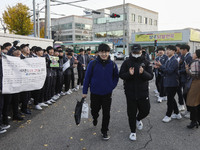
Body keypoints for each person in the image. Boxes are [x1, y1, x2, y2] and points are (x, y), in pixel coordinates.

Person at [82, 43, 119, 140]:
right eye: (102, 52)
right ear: (98, 52)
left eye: (106, 52)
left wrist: (111, 86)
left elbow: (116, 77)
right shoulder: (92, 63)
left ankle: (104, 131)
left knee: (106, 113)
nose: (104, 54)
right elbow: (87, 78)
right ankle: (95, 117)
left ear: (109, 53)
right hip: (95, 93)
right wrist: (84, 91)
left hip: (107, 93)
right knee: (94, 110)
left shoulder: (113, 64)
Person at [119, 44, 153, 141]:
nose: (136, 54)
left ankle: (138, 119)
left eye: (137, 52)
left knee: (146, 110)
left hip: (143, 92)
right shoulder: (126, 62)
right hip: (130, 92)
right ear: (131, 52)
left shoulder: (146, 62)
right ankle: (133, 131)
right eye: (134, 52)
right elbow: (121, 75)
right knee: (131, 113)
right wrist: (129, 74)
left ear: (141, 51)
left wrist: (143, 73)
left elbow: (151, 76)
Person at [155, 45, 182, 123]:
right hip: (167, 82)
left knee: (169, 100)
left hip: (172, 83)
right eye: (167, 50)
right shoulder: (168, 60)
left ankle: (168, 115)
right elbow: (165, 70)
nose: (167, 51)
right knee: (171, 99)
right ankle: (177, 113)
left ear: (174, 51)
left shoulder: (174, 60)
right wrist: (159, 67)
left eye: (169, 50)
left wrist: (160, 66)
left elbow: (169, 71)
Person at [185, 49, 200, 129]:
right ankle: (198, 120)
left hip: (196, 83)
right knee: (198, 102)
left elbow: (194, 75)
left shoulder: (195, 62)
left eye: (194, 53)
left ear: (197, 55)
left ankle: (193, 121)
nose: (193, 54)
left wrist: (187, 69)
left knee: (192, 102)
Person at [179, 44, 193, 118]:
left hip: (187, 80)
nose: (180, 51)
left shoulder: (189, 57)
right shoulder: (184, 56)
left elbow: (188, 69)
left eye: (181, 49)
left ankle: (190, 111)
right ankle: (188, 110)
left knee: (187, 95)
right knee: (185, 95)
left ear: (185, 50)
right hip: (183, 79)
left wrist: (179, 71)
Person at [175, 44, 185, 111]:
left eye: (177, 48)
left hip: (182, 77)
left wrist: (178, 71)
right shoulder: (178, 55)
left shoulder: (183, 56)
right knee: (178, 91)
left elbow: (184, 68)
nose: (176, 50)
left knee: (181, 91)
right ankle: (180, 103)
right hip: (178, 77)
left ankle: (182, 104)